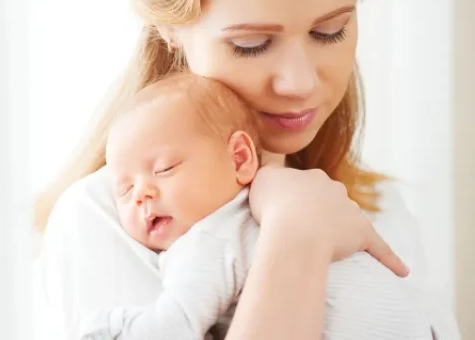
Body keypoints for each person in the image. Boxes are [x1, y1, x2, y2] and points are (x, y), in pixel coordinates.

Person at [35, 0, 461, 339]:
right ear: (168, 29)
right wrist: (294, 232)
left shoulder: (377, 206)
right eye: (251, 45)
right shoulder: (116, 221)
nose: (299, 82)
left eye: (330, 31)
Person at [77, 72, 430, 339]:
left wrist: (107, 325)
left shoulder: (211, 238)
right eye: (124, 191)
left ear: (240, 157)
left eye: (164, 169)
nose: (141, 194)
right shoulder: (277, 209)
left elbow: (176, 327)